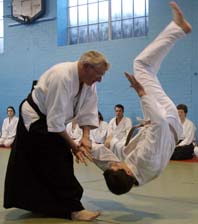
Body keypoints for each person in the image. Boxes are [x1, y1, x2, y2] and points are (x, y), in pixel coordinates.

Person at [90, 1, 192, 195]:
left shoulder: (130, 175)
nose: (113, 164)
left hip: (163, 127)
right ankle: (178, 28)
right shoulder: (145, 160)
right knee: (142, 65)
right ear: (126, 170)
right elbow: (159, 124)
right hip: (165, 119)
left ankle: (178, 29)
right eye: (116, 166)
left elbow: (110, 161)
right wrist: (142, 94)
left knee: (146, 68)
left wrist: (82, 145)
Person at [4, 51, 110, 221]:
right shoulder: (62, 76)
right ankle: (73, 209)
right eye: (99, 73)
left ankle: (44, 204)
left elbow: (89, 109)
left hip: (51, 121)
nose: (100, 79)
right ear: (86, 67)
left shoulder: (88, 82)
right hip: (36, 118)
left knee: (45, 162)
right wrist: (73, 146)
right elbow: (55, 122)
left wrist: (85, 136)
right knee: (59, 158)